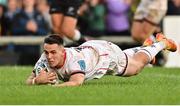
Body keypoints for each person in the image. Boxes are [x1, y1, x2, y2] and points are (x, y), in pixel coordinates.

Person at [26, 33, 177, 87]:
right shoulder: (44, 58)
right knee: (128, 60)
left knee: (135, 68)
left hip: (104, 55)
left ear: (63, 51)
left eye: (53, 52)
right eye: (47, 52)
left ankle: (162, 43)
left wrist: (52, 88)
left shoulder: (74, 61)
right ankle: (144, 48)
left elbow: (76, 82)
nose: (49, 56)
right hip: (90, 49)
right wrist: (35, 81)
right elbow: (30, 79)